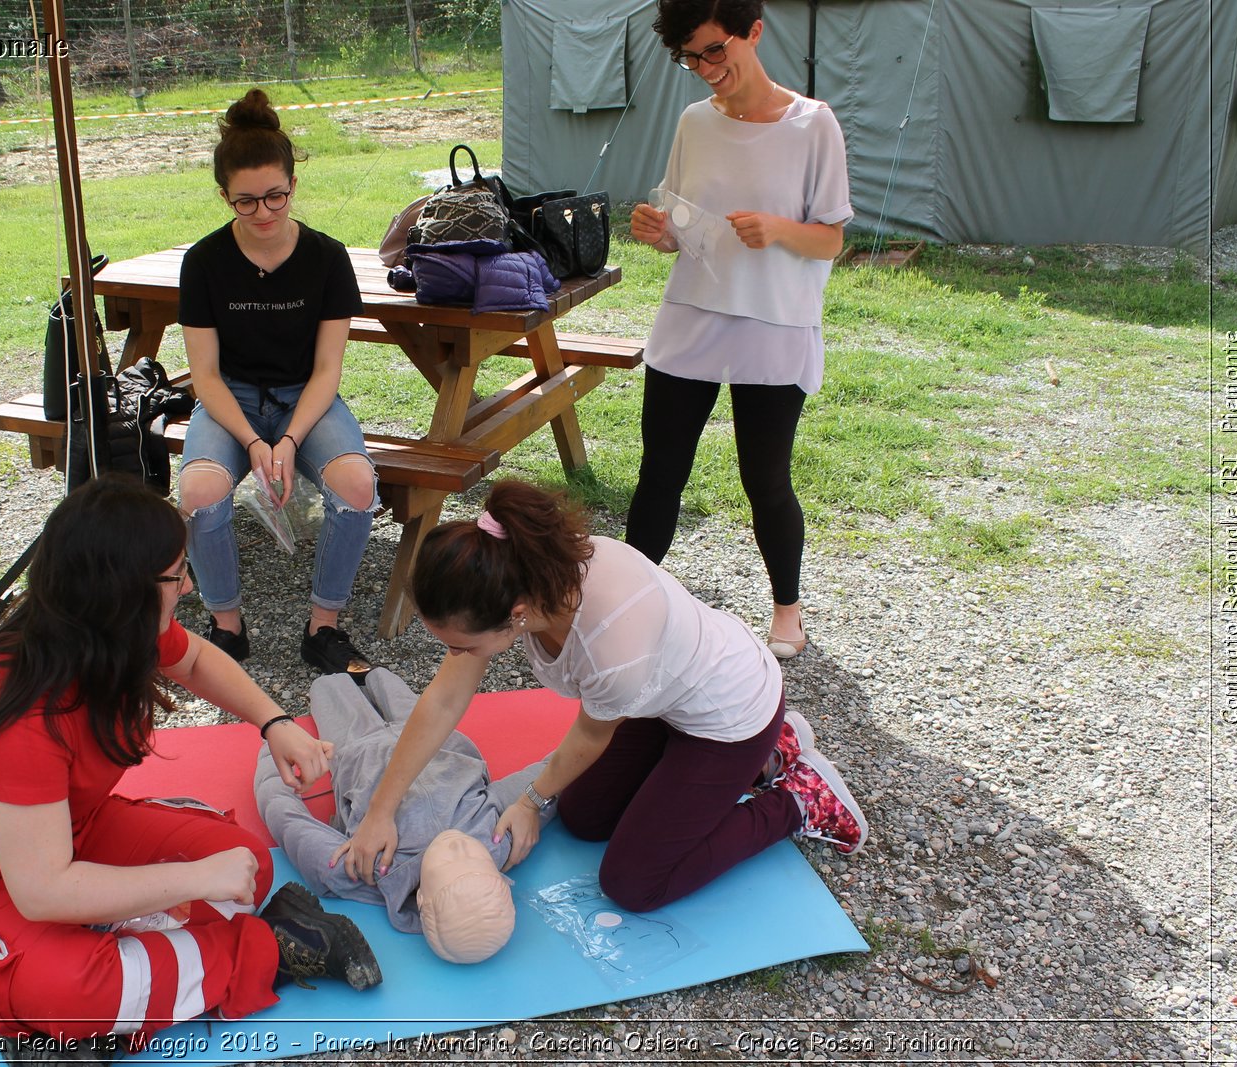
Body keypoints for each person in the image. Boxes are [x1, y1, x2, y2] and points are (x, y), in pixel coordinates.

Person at [0, 477, 380, 1063]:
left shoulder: (106, 632)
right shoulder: (18, 706)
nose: (187, 587)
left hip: (76, 837)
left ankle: (116, 993)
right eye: (177, 574)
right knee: (76, 992)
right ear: (123, 592)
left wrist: (274, 721)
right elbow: (41, 889)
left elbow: (198, 659)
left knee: (245, 864)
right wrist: (193, 881)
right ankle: (266, 949)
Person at [341, 480, 868, 915]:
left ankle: (798, 799)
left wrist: (529, 802)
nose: (456, 654)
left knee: (635, 884)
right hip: (659, 702)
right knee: (585, 817)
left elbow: (593, 732)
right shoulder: (518, 576)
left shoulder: (611, 644)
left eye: (462, 645)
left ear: (516, 614)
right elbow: (441, 702)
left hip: (728, 717)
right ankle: (773, 752)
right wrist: (380, 812)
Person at [626, 0, 852, 659]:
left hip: (775, 322)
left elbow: (832, 238)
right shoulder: (695, 122)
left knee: (766, 479)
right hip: (692, 314)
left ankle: (787, 608)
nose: (703, 69)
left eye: (714, 51)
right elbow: (682, 224)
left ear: (754, 31)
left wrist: (779, 228)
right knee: (660, 470)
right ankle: (632, 602)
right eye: (689, 58)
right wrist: (660, 232)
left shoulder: (814, 125)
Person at [177, 87, 379, 678]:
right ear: (224, 197)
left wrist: (287, 440)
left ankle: (324, 626)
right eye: (245, 202)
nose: (264, 213)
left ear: (294, 185)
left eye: (275, 196)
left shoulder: (326, 257)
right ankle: (226, 626)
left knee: (357, 486)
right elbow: (205, 377)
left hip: (304, 398)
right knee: (198, 495)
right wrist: (254, 442)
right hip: (231, 399)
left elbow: (326, 371)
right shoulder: (205, 262)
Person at [254, 668, 554, 963]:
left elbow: (287, 819)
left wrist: (273, 751)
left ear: (421, 900)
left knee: (327, 686)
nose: (460, 847)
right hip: (433, 737)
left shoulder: (366, 870)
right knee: (386, 679)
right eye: (480, 861)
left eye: (453, 861)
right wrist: (538, 801)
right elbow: (546, 780)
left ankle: (337, 671)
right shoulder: (502, 841)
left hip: (359, 750)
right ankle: (370, 672)